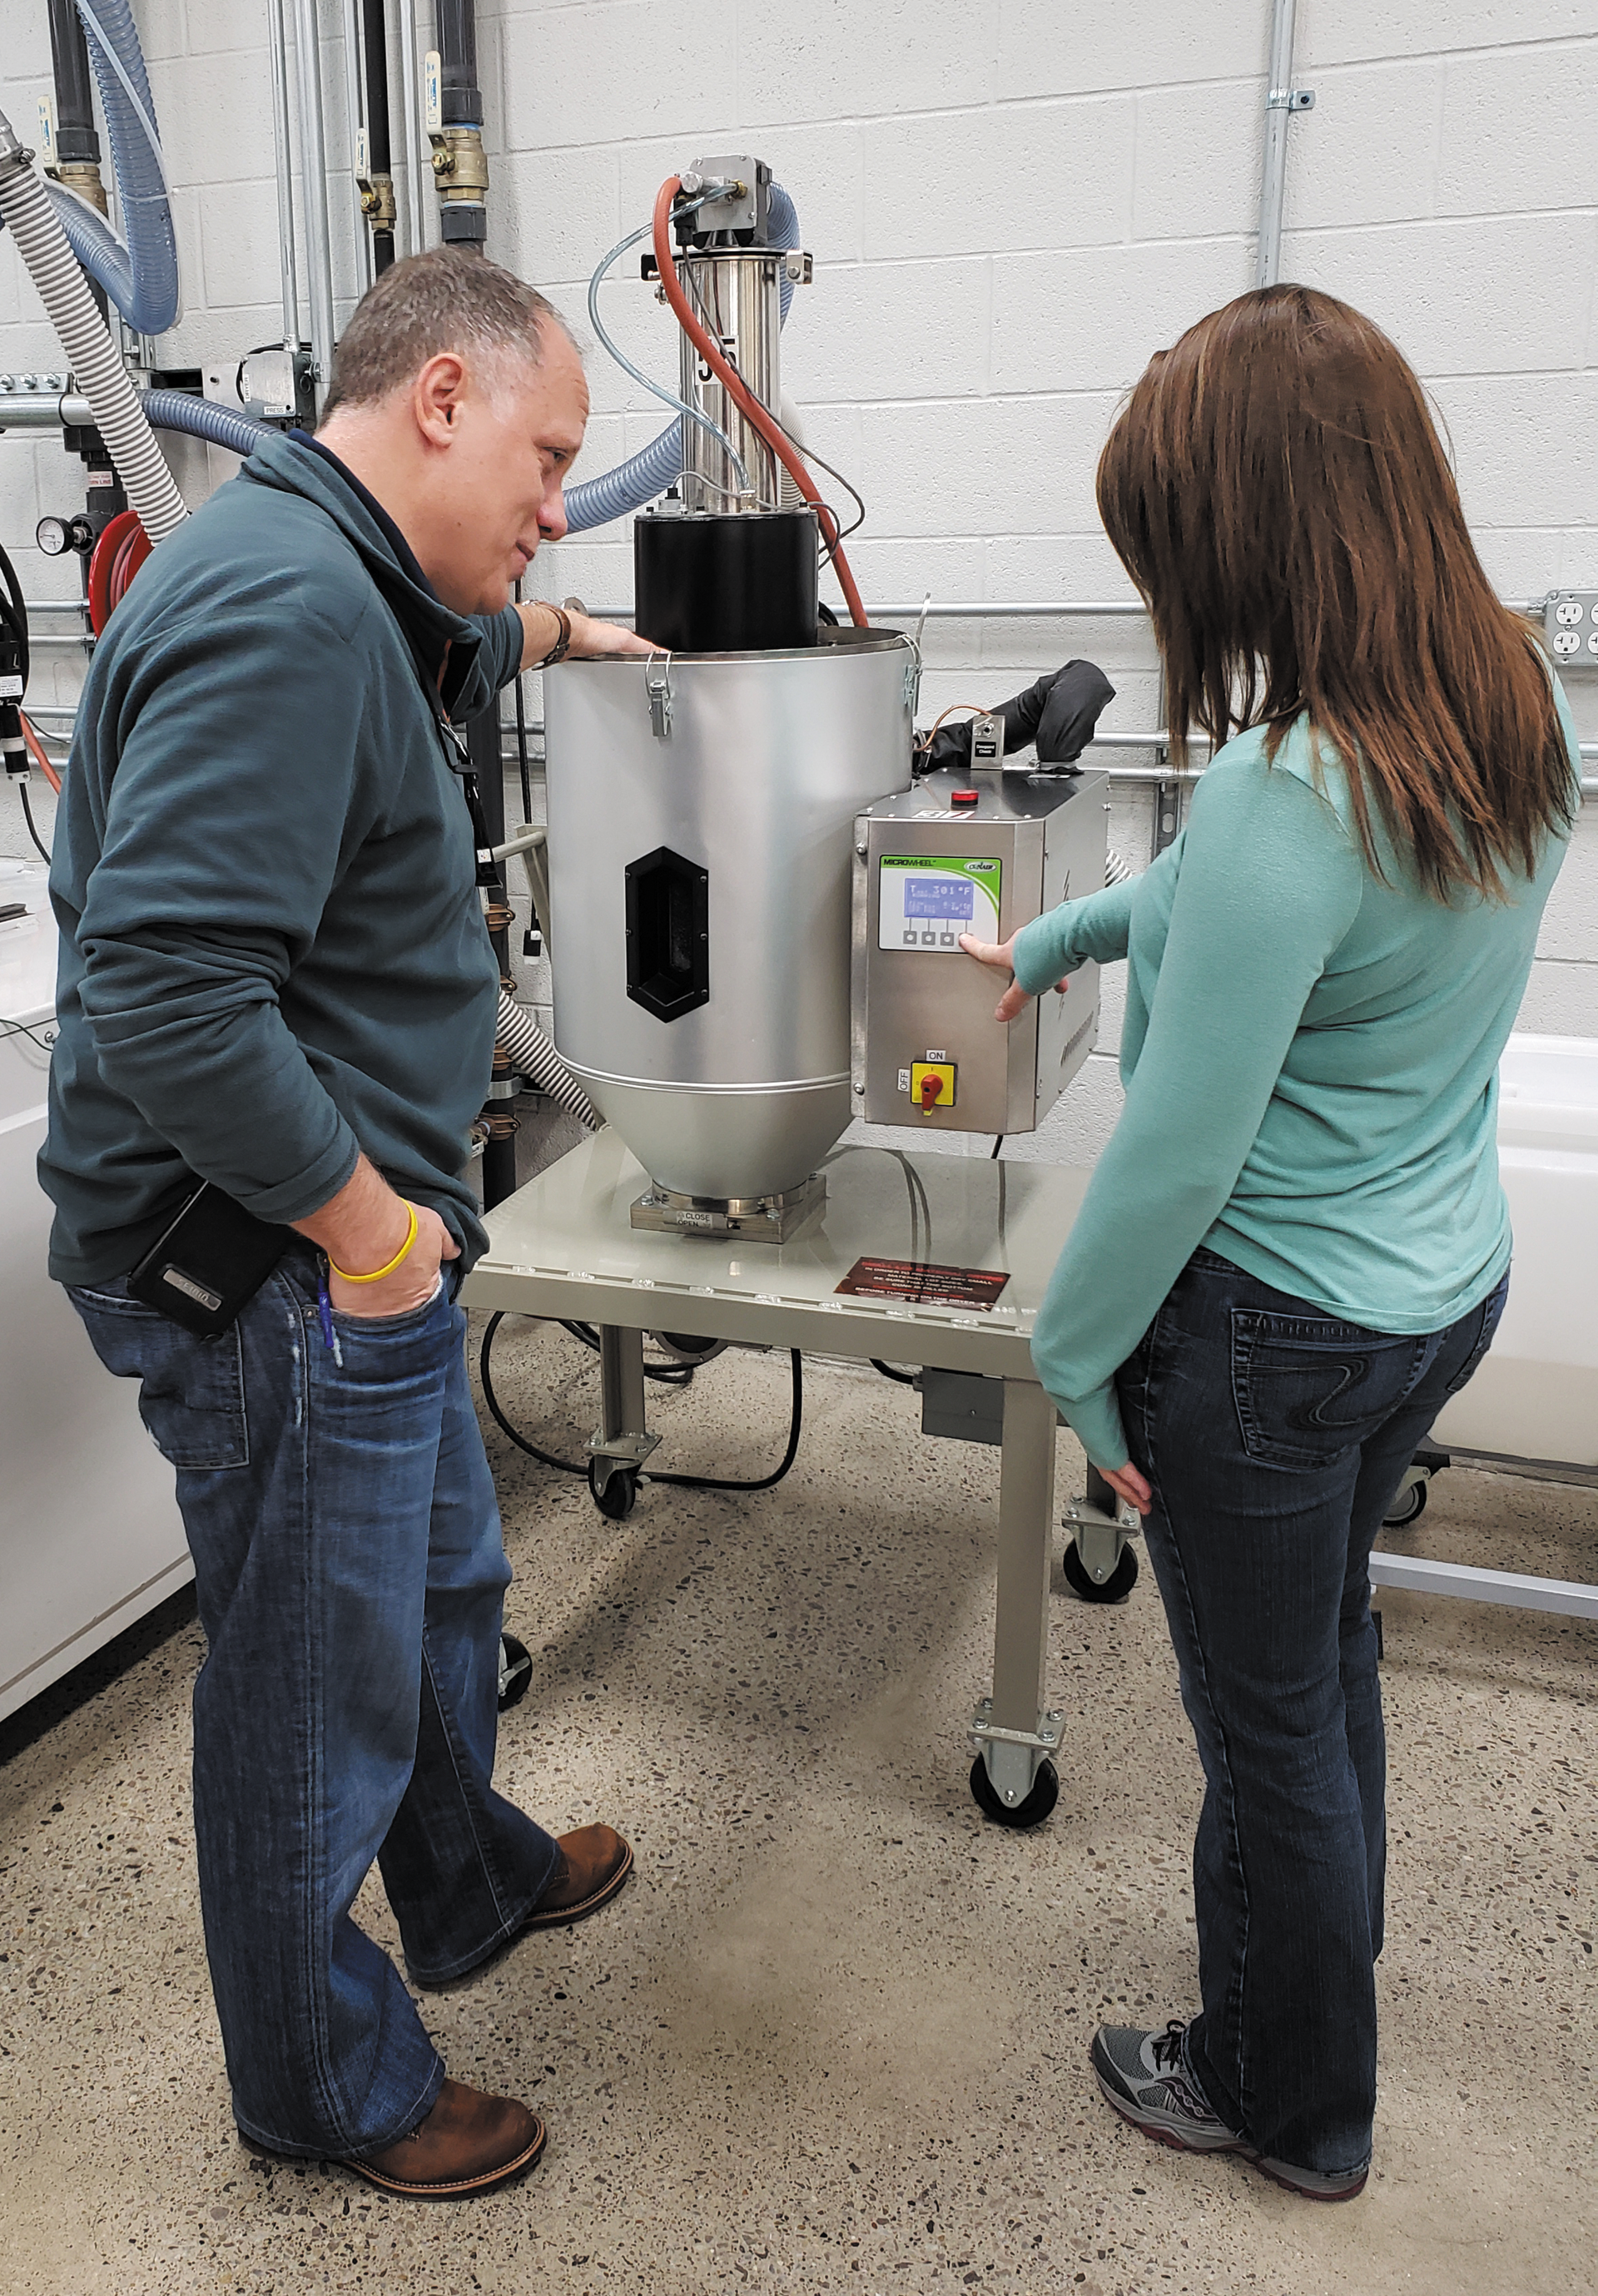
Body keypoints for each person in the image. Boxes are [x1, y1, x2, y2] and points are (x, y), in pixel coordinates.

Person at [41, 250, 657, 2199]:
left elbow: (446, 637)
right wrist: (376, 1236)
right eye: (549, 457)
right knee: (311, 1685)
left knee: (442, 1586)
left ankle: (464, 1869)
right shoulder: (292, 608)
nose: (562, 501)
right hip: (276, 1261)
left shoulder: (349, 570)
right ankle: (322, 2080)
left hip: (344, 1244)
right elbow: (165, 996)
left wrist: (561, 631)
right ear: (443, 401)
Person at [960, 285, 1578, 2202]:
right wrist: (1059, 936)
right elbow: (1256, 911)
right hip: (1435, 1293)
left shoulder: (1280, 791)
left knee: (1263, 1731)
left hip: (1269, 1339)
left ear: (1253, 531)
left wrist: (1069, 1355)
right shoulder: (1502, 702)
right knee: (1326, 1656)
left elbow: (1174, 1153)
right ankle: (1329, 1974)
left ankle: (1282, 2090)